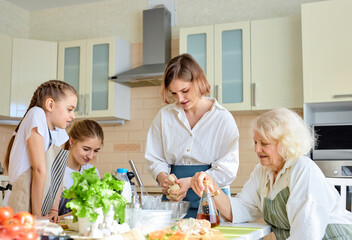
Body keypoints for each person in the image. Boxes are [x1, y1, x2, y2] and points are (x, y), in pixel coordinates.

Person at [191, 108, 352, 239]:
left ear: (285, 144)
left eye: (264, 143)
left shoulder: (302, 168)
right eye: (255, 142)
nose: (256, 149)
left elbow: (308, 231)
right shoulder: (262, 171)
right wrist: (212, 187)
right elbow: (238, 210)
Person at [145, 53, 239, 218]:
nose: (180, 99)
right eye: (174, 93)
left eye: (185, 91)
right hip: (174, 204)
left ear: (199, 81)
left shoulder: (222, 118)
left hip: (212, 200)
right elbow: (155, 158)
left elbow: (228, 169)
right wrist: (163, 178)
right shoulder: (164, 116)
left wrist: (191, 182)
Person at [3, 80, 78, 222]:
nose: (73, 116)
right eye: (69, 109)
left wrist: (54, 210)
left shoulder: (59, 131)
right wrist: (36, 215)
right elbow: (39, 169)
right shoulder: (36, 114)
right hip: (21, 205)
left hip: (42, 206)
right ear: (50, 105)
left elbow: (58, 174)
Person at [58, 119, 103, 216]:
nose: (90, 156)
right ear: (71, 142)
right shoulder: (56, 170)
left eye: (96, 151)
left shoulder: (92, 171)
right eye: (86, 149)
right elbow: (49, 218)